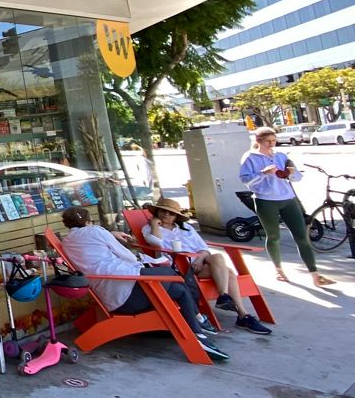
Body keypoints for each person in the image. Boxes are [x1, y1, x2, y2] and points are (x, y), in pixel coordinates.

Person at [59, 207, 230, 361]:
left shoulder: (67, 242)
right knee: (172, 274)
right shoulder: (95, 231)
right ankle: (198, 322)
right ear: (89, 221)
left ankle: (197, 332)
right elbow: (129, 257)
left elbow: (91, 247)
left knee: (178, 288)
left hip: (112, 292)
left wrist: (110, 235)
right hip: (127, 292)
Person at [142, 197, 271, 335]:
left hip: (198, 264)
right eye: (163, 211)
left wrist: (199, 260)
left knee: (218, 258)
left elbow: (203, 249)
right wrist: (155, 225)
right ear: (157, 211)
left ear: (176, 217)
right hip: (179, 268)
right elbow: (156, 243)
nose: (166, 215)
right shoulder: (148, 228)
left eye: (171, 213)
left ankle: (228, 301)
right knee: (229, 273)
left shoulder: (186, 228)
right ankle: (240, 314)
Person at [238, 126, 335, 287]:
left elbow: (297, 178)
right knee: (274, 236)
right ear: (259, 141)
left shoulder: (281, 156)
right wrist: (263, 173)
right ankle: (279, 269)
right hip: (266, 200)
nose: (271, 144)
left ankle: (315, 274)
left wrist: (292, 173)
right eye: (268, 141)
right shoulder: (250, 158)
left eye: (274, 141)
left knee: (302, 236)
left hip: (288, 198)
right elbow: (245, 180)